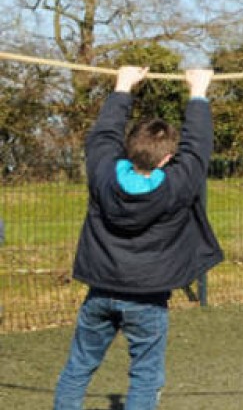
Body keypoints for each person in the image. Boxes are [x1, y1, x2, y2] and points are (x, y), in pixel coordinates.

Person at [53, 66, 222, 410]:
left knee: (79, 366)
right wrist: (199, 92)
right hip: (147, 299)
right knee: (145, 374)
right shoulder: (178, 184)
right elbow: (198, 147)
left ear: (128, 148)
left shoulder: (103, 171)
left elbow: (103, 136)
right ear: (167, 159)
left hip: (100, 292)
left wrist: (123, 86)